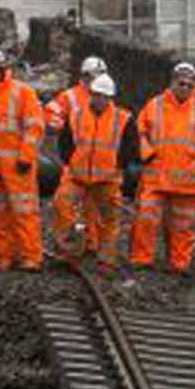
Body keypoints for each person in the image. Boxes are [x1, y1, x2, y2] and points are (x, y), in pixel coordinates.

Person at [128, 61, 195, 273]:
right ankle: (142, 259)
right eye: (181, 83)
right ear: (172, 81)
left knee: (183, 225)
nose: (184, 88)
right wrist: (147, 154)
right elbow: (138, 131)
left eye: (189, 85)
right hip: (156, 176)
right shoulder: (154, 105)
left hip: (187, 180)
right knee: (146, 220)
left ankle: (179, 264)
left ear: (194, 85)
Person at [0, 48, 44, 271]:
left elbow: (34, 128)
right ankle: (3, 256)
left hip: (16, 167)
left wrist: (26, 156)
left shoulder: (22, 93)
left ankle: (30, 256)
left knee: (24, 212)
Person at [54, 73, 135, 264]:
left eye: (104, 96)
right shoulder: (76, 116)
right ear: (91, 94)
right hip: (77, 176)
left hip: (108, 179)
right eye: (96, 94)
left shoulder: (123, 119)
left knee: (109, 218)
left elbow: (131, 147)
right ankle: (68, 251)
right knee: (62, 205)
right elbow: (64, 143)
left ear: (111, 98)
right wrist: (72, 162)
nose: (100, 99)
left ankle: (106, 257)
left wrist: (118, 166)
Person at [46, 55, 108, 249]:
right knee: (63, 202)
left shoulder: (106, 99)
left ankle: (91, 244)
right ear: (84, 76)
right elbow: (50, 113)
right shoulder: (71, 96)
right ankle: (66, 242)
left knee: (94, 207)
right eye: (91, 77)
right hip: (74, 160)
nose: (94, 81)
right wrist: (59, 125)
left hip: (99, 163)